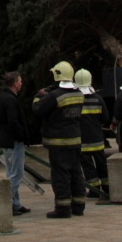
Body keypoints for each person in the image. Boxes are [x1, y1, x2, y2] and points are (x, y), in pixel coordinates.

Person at [32, 61, 86, 218]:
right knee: (76, 173)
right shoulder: (79, 94)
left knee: (60, 175)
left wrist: (39, 96)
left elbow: (38, 109)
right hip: (75, 140)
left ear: (57, 76)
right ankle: (79, 206)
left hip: (58, 142)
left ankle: (63, 209)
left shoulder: (55, 95)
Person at [0, 71, 31, 216]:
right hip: (14, 141)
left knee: (11, 172)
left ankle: (15, 204)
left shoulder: (2, 97)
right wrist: (21, 135)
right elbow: (13, 121)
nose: (21, 83)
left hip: (6, 140)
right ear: (15, 83)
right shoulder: (11, 100)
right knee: (17, 173)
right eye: (20, 81)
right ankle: (7, 201)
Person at [75, 69, 110, 199]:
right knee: (102, 165)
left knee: (88, 167)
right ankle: (107, 188)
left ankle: (94, 191)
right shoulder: (98, 98)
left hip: (82, 140)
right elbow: (105, 118)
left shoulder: (75, 100)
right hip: (98, 139)